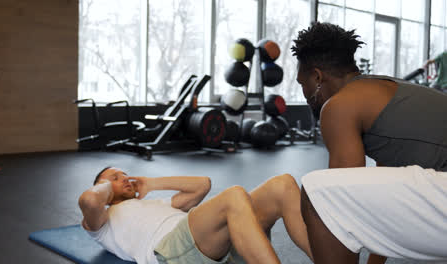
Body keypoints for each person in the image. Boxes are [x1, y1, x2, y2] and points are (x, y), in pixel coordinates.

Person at [290, 22, 447, 264]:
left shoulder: (338, 106)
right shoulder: (387, 90)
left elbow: (340, 206)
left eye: (303, 84)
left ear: (317, 77)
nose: (304, 92)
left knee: (317, 194)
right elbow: (374, 201)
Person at [78, 166, 313, 264]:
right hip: (169, 252)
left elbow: (202, 184)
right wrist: (107, 188)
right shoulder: (103, 222)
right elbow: (89, 200)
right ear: (101, 188)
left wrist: (150, 184)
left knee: (282, 185)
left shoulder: (156, 203)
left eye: (125, 174)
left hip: (209, 244)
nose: (125, 179)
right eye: (115, 178)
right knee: (233, 196)